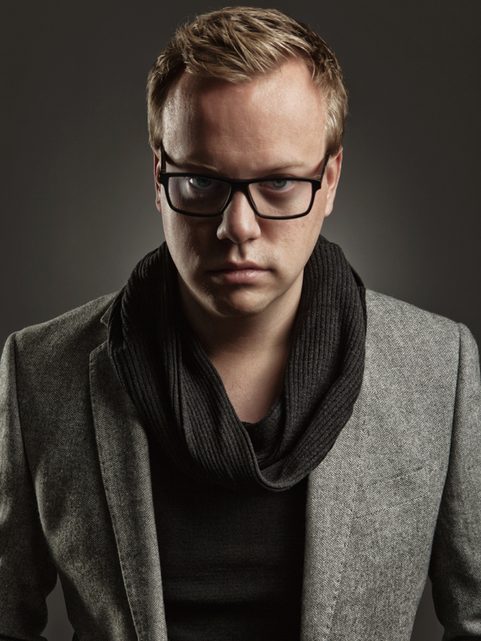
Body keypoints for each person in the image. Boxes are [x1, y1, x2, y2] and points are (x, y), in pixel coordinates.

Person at [0, 6, 480, 640]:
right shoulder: (38, 371)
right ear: (159, 176)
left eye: (279, 182)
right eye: (201, 181)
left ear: (330, 180)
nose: (237, 228)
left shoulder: (439, 367)